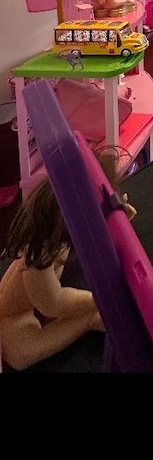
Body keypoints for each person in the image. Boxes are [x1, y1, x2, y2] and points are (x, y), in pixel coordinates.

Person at [0, 157, 136, 371]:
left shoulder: (57, 233)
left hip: (36, 300)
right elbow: (53, 304)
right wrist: (96, 300)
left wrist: (116, 218)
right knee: (21, 355)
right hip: (12, 320)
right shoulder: (41, 256)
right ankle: (89, 321)